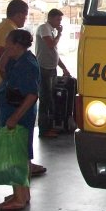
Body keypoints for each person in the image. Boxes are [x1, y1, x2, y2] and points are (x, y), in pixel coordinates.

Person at [0, 0, 46, 178]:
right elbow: (1, 57)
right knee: (1, 128)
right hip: (2, 84)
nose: (25, 19)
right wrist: (8, 82)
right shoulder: (9, 31)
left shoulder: (1, 28)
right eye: (24, 15)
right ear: (18, 14)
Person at [0, 29, 40, 211]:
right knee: (21, 155)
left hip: (18, 115)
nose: (5, 46)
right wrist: (7, 51)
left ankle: (19, 198)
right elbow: (2, 67)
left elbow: (32, 95)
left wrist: (14, 117)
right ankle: (22, 193)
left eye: (8, 42)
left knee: (16, 157)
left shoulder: (27, 64)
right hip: (13, 112)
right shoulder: (18, 59)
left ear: (17, 44)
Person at [35, 8, 70, 138]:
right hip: (44, 68)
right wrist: (59, 34)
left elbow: (54, 52)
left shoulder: (51, 30)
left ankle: (49, 126)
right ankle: (44, 130)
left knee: (50, 99)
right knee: (45, 99)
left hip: (51, 68)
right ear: (50, 18)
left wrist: (64, 68)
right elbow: (50, 45)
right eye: (58, 19)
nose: (59, 22)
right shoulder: (44, 28)